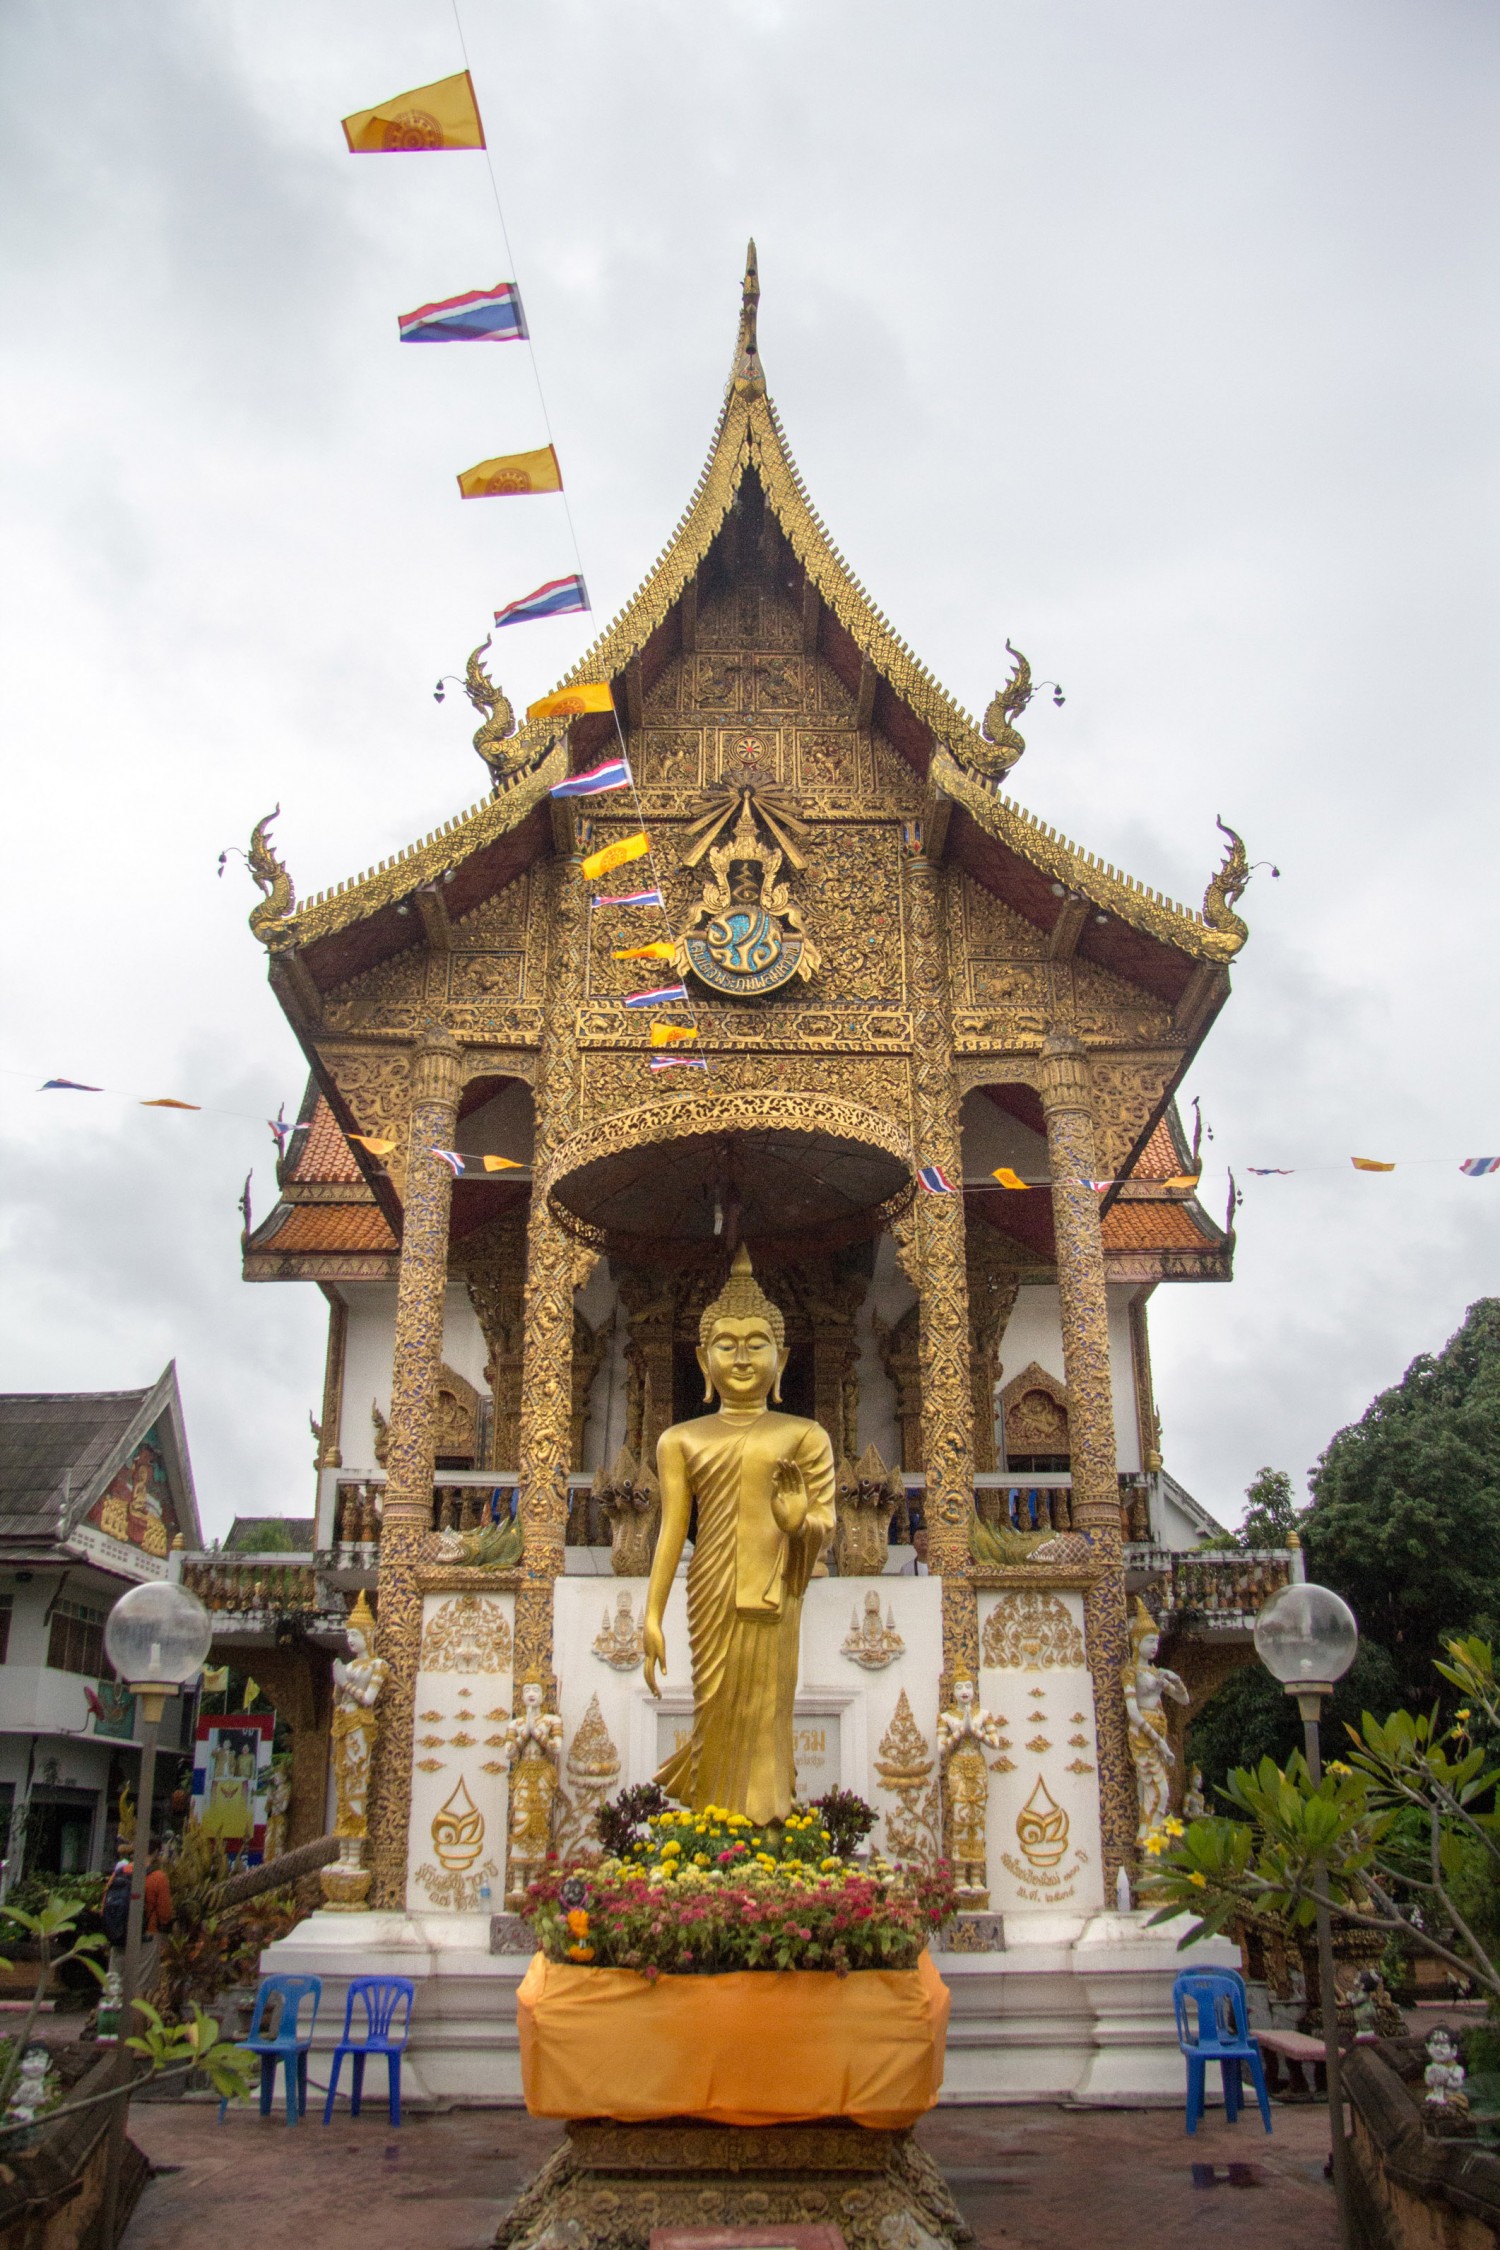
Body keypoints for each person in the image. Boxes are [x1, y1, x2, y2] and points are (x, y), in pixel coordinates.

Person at [644, 1246, 835, 1826]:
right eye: (727, 1344)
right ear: (703, 1359)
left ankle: (771, 1820)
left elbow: (825, 1525)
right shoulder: (680, 1440)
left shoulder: (805, 1435)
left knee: (768, 1710)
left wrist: (797, 1521)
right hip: (709, 1588)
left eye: (758, 1343)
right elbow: (673, 1531)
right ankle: (712, 1822)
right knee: (715, 1707)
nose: (743, 1357)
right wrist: (652, 1614)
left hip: (774, 1589)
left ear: (783, 1355)